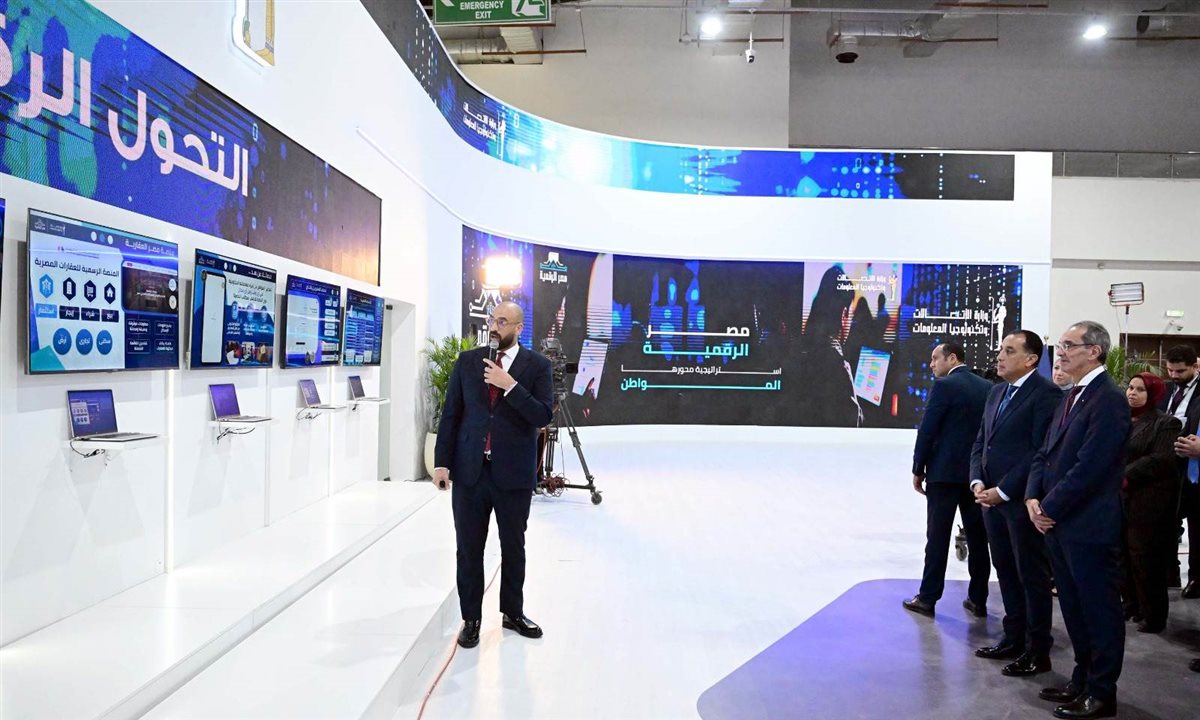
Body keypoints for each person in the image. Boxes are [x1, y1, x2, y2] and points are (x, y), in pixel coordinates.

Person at [433, 301, 554, 649]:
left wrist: (510, 385)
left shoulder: (538, 366)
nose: (494, 327)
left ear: (518, 327)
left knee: (513, 547)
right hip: (470, 471)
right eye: (492, 320)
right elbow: (451, 414)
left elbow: (542, 415)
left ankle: (512, 613)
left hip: (513, 473)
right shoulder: (467, 361)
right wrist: (442, 462)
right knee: (469, 548)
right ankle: (471, 618)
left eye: (502, 321)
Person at [1027, 321, 1130, 720]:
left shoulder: (1109, 399)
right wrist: (1033, 498)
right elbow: (1045, 453)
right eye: (1061, 345)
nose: (1062, 352)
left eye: (1069, 345)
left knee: (1098, 611)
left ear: (1094, 351)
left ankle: (1102, 693)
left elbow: (1091, 467)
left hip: (1087, 525)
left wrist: (1048, 507)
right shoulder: (1072, 395)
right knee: (1073, 608)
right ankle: (1082, 679)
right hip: (1060, 524)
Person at [970, 331, 1062, 677]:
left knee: (1031, 576)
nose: (1000, 356)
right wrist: (977, 481)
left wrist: (1005, 490)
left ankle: (1037, 650)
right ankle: (1013, 638)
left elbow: (1040, 451)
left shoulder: (1046, 394)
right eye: (1001, 349)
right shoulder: (996, 392)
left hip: (1020, 501)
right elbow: (981, 442)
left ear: (1031, 359)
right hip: (990, 500)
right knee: (1005, 570)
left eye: (1009, 351)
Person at [903, 341, 991, 618]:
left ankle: (928, 598)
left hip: (943, 474)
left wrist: (918, 468)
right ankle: (978, 599)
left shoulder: (944, 386)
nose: (931, 364)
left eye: (935, 358)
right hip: (977, 475)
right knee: (978, 538)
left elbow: (928, 429)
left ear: (952, 358)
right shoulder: (988, 387)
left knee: (937, 537)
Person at [1119, 372, 1182, 634]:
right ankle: (1130, 605)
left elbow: (1160, 460)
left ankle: (1153, 615)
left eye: (1140, 389)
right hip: (1121, 498)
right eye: (1131, 388)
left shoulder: (1166, 423)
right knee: (1123, 555)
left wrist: (1122, 475)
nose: (1132, 393)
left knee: (1145, 558)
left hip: (1148, 500)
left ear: (1153, 394)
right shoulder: (1121, 420)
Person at [1163, 344, 1200, 598]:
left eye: (1180, 371)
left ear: (1195, 366)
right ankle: (1170, 572)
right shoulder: (1166, 390)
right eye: (1170, 370)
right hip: (1167, 465)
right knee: (1167, 522)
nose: (1174, 375)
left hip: (1192, 465)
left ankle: (1196, 576)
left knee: (1195, 524)